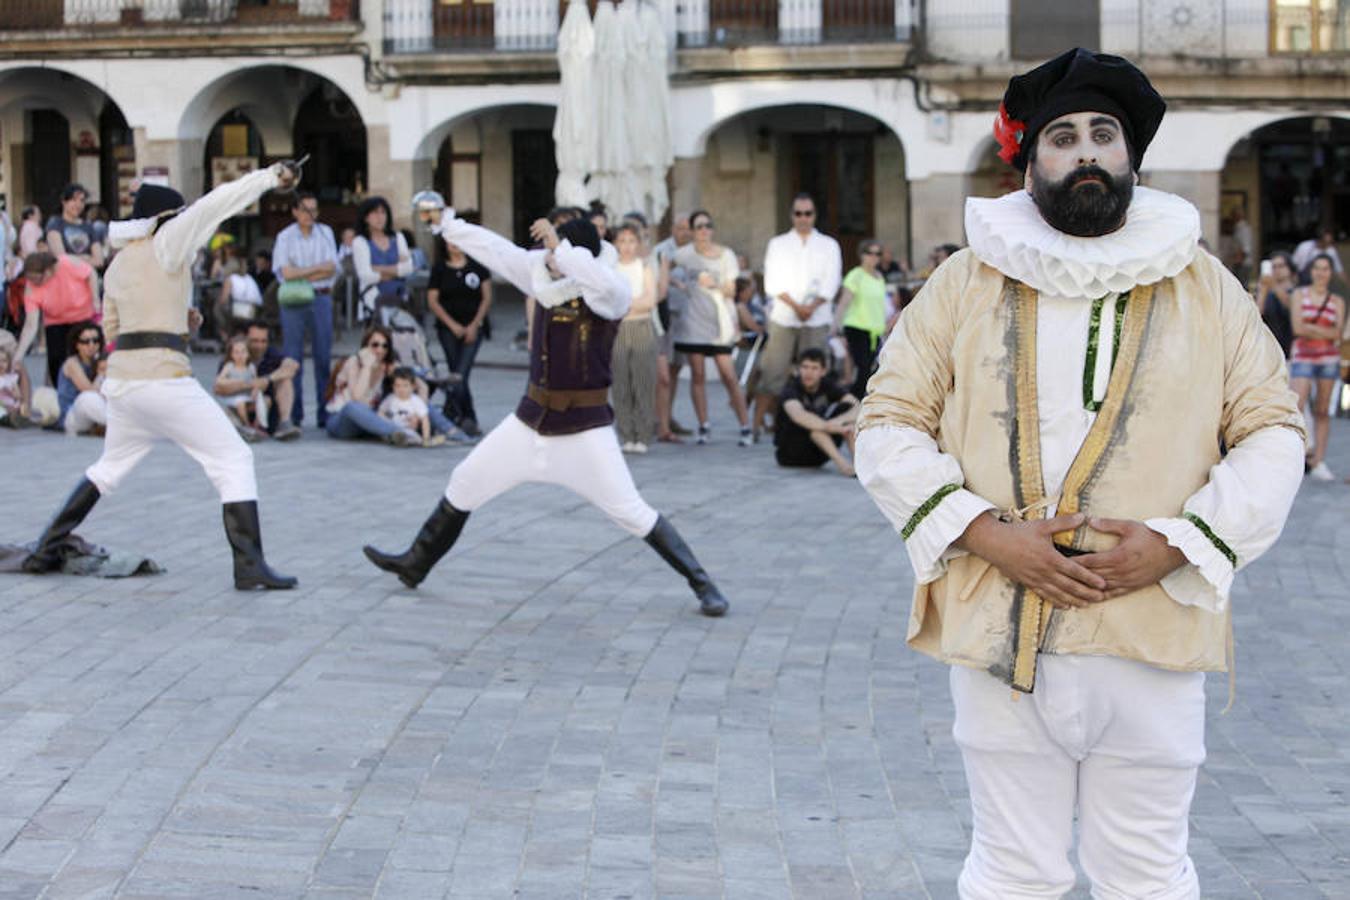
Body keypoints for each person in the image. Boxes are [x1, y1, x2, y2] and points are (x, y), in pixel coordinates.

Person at [856, 48, 1304, 898]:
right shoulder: (964, 281)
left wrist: (1180, 543)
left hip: (1151, 633)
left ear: (1133, 157)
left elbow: (1273, 431)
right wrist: (989, 537)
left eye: (1105, 133)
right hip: (1000, 631)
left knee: (1146, 873)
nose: (1087, 151)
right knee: (1012, 872)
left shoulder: (1206, 288)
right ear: (1031, 164)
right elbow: (886, 423)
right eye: (1063, 136)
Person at [364, 213, 730, 618]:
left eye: (557, 254)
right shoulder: (542, 276)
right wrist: (446, 223)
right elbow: (495, 250)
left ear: (578, 254)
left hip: (584, 431)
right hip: (529, 423)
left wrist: (562, 249)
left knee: (631, 511)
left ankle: (703, 584)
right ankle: (415, 564)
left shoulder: (608, 291)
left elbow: (599, 280)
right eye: (550, 254)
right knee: (465, 481)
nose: (549, 261)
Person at [19, 163, 303, 590]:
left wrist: (178, 321)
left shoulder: (117, 265)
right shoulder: (167, 239)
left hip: (125, 386)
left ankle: (46, 547)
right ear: (166, 219)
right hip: (163, 381)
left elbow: (114, 332)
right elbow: (217, 204)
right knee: (234, 458)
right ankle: (249, 566)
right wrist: (269, 178)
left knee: (109, 468)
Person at [756, 194, 842, 439]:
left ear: (814, 215)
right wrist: (796, 306)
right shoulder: (778, 244)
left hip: (817, 317)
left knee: (814, 373)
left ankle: (811, 425)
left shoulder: (828, 245)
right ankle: (758, 425)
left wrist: (811, 307)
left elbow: (831, 281)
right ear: (791, 215)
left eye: (808, 213)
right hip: (785, 316)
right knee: (773, 371)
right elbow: (772, 281)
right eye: (798, 213)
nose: (803, 218)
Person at [669, 210, 753, 446]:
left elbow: (732, 290)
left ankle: (745, 426)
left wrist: (713, 283)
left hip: (719, 323)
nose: (704, 231)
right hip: (693, 322)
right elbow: (664, 265)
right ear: (693, 231)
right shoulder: (684, 255)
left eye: (708, 225)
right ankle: (703, 426)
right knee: (698, 374)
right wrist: (677, 282)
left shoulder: (726, 255)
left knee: (728, 375)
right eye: (699, 227)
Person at [272, 191, 338, 429]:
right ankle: (295, 413)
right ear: (295, 212)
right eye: (305, 209)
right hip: (294, 300)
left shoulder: (326, 233)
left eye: (314, 209)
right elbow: (285, 273)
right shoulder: (285, 237)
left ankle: (325, 413)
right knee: (293, 357)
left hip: (321, 297)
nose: (310, 214)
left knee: (323, 357)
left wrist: (301, 271)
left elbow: (332, 269)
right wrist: (316, 269)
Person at [427, 231, 492, 437]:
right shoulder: (439, 268)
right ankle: (466, 417)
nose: (454, 245)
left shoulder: (478, 267)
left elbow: (486, 298)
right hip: (447, 329)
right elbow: (433, 300)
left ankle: (453, 413)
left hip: (474, 327)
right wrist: (452, 325)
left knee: (460, 373)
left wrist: (474, 325)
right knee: (457, 373)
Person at [1288, 253, 1345, 481]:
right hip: (1303, 356)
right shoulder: (1299, 295)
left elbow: (1338, 334)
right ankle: (1297, 457)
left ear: (1331, 273)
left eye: (1325, 268)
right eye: (1317, 268)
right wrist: (1325, 331)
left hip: (1328, 360)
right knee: (1296, 407)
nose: (1321, 273)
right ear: (1310, 271)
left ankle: (1319, 460)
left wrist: (1311, 329)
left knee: (1322, 411)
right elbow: (1297, 328)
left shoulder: (1337, 301)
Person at [13, 251, 99, 388]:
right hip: (55, 321)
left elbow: (91, 273)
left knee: (86, 356)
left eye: (36, 279)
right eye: (30, 279)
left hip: (82, 316)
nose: (33, 283)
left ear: (48, 271)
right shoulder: (31, 288)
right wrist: (18, 355)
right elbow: (31, 325)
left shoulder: (65, 263)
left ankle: (89, 389)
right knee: (56, 360)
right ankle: (61, 393)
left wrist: (95, 299)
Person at [611, 222, 658, 453]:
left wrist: (624, 304)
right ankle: (626, 433)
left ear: (638, 244)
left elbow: (649, 301)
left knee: (642, 382)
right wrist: (632, 303)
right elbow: (608, 301)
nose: (627, 246)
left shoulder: (644, 267)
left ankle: (643, 434)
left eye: (631, 241)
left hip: (641, 327)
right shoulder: (610, 269)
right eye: (622, 241)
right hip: (617, 329)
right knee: (621, 383)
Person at [775, 348, 857, 476]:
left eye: (814, 368)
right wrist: (832, 427)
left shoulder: (826, 385)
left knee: (847, 411)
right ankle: (844, 466)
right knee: (814, 424)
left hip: (818, 455)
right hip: (790, 453)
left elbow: (857, 406)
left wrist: (839, 422)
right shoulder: (791, 388)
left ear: (823, 371)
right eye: (805, 367)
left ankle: (858, 463)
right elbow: (798, 415)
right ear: (798, 370)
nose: (809, 373)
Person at [214, 322, 301, 441]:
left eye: (263, 341)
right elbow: (218, 388)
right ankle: (242, 429)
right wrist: (249, 384)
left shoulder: (271, 353)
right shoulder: (232, 358)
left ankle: (284, 424)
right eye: (254, 341)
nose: (259, 346)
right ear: (245, 339)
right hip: (240, 408)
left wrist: (268, 379)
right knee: (222, 408)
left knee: (285, 380)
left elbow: (292, 366)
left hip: (266, 412)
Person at [653, 213, 693, 443]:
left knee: (676, 369)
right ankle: (657, 419)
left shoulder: (694, 253)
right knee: (663, 372)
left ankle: (668, 416)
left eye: (688, 228)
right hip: (665, 318)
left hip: (685, 320)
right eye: (680, 228)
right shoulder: (661, 251)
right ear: (672, 229)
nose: (685, 232)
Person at [833, 240, 889, 400]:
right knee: (863, 370)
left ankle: (857, 402)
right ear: (862, 255)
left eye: (877, 253)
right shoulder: (855, 275)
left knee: (871, 372)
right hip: (856, 328)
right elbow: (843, 302)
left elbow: (879, 306)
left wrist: (884, 329)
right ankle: (851, 403)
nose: (873, 257)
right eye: (869, 253)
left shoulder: (879, 277)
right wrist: (836, 327)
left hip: (875, 331)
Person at [352, 196, 413, 323]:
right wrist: (396, 272)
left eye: (383, 212)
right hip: (373, 301)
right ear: (366, 217)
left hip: (399, 299)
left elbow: (408, 268)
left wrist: (377, 268)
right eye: (375, 213)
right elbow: (366, 276)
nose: (380, 217)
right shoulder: (360, 242)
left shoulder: (398, 237)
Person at [55, 322, 107, 436]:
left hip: (95, 414)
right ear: (77, 344)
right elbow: (89, 390)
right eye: (85, 341)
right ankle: (121, 425)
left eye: (95, 340)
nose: (91, 345)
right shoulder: (72, 363)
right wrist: (101, 374)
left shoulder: (100, 361)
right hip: (73, 416)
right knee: (88, 397)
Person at [378, 366, 447, 447]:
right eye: (397, 386)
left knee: (412, 436)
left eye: (405, 386)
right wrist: (384, 420)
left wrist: (426, 437)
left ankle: (423, 441)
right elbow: (381, 411)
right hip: (392, 427)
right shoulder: (390, 398)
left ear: (413, 387)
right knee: (387, 433)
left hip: (408, 429)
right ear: (393, 386)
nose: (401, 389)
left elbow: (425, 420)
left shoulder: (416, 401)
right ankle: (398, 439)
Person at [215, 335, 266, 441]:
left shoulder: (251, 367)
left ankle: (258, 426)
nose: (240, 355)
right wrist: (237, 382)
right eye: (236, 352)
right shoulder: (230, 366)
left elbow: (256, 382)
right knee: (240, 403)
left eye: (243, 352)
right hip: (233, 397)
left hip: (247, 396)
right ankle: (246, 426)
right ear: (231, 354)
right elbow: (219, 381)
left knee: (266, 400)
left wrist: (256, 390)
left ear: (248, 354)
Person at [45, 184, 105, 270]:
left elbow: (99, 261)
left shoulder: (88, 226)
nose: (78, 204)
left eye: (82, 200)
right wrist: (85, 258)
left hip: (87, 277)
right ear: (64, 202)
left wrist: (72, 258)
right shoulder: (55, 223)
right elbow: (61, 258)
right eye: (73, 200)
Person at [1257, 251, 1296, 357]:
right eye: (1273, 267)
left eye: (1281, 266)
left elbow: (1293, 308)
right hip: (1269, 350)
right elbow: (1256, 316)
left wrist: (1273, 285)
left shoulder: (1298, 292)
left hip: (1291, 349)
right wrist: (1263, 290)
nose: (1277, 270)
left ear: (1290, 269)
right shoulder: (1267, 293)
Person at [0, 344, 32, 427]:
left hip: (12, 405)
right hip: (2, 406)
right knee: (2, 412)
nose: (1, 364)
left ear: (8, 363)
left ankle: (21, 418)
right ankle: (9, 420)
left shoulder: (11, 378)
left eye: (4, 361)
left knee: (22, 408)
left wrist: (13, 393)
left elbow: (18, 396)